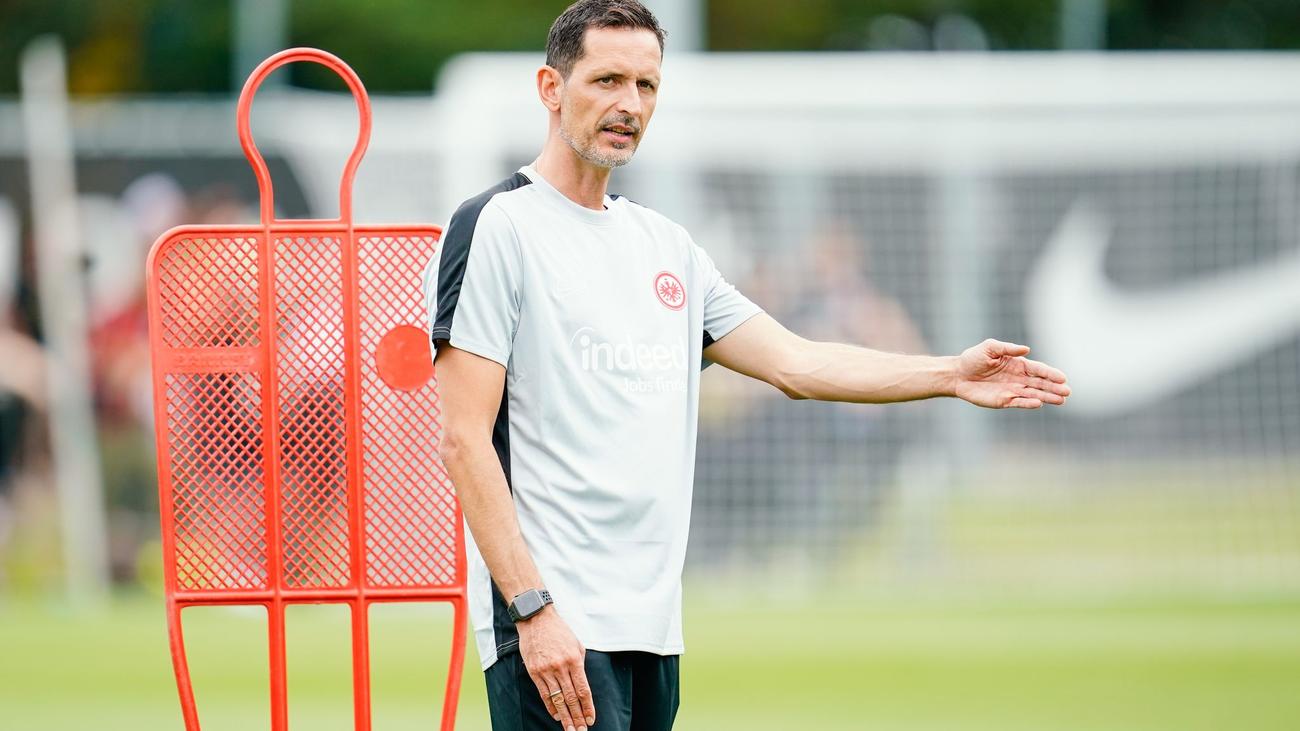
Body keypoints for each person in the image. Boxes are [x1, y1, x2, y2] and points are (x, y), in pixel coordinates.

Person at [423, 2, 1071, 730]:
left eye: (646, 85)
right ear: (551, 87)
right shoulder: (497, 227)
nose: (629, 104)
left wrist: (948, 374)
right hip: (553, 623)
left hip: (652, 627)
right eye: (606, 80)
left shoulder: (666, 247)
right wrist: (533, 611)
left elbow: (797, 361)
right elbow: (464, 439)